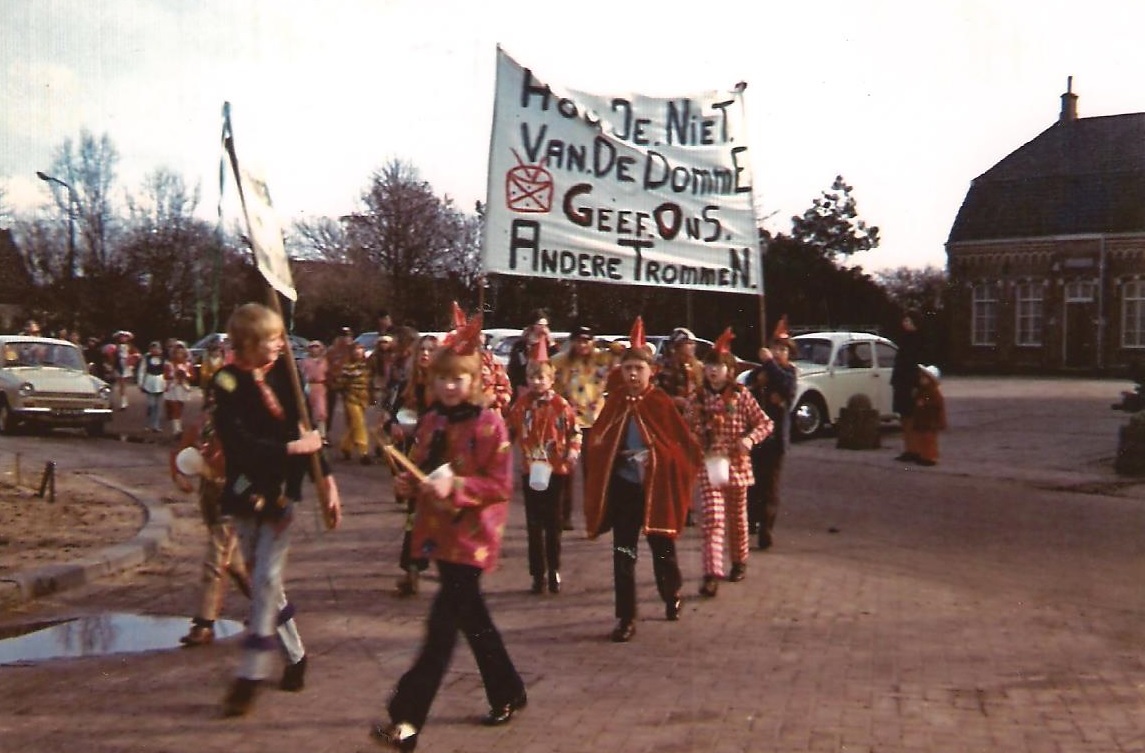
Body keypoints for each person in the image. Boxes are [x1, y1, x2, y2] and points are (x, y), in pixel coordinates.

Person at [370, 315, 526, 751]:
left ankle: (406, 721)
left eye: (460, 378)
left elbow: (500, 487)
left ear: (476, 380)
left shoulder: (490, 425)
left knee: (440, 633)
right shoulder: (433, 421)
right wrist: (408, 483)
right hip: (439, 534)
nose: (451, 386)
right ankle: (508, 689)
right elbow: (421, 468)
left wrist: (457, 486)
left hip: (472, 539)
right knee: (473, 621)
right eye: (443, 379)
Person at [211, 302, 343, 717]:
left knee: (267, 577)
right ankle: (296, 655)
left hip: (283, 493)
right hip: (246, 491)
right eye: (270, 338)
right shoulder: (226, 382)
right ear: (248, 344)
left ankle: (250, 673)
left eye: (279, 337)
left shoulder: (287, 375)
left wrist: (326, 478)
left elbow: (306, 429)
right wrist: (292, 448)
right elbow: (239, 444)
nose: (280, 344)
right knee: (263, 584)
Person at [583, 317, 702, 643]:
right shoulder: (615, 403)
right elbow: (598, 442)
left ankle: (671, 592)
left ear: (652, 371)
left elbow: (683, 450)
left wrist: (656, 458)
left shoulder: (660, 403)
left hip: (655, 491)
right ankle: (626, 618)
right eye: (627, 368)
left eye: (639, 368)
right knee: (624, 554)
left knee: (662, 549)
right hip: (624, 491)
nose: (633, 374)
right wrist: (614, 454)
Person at [687, 328, 772, 597]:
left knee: (737, 517)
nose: (713, 371)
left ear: (729, 370)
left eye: (719, 366)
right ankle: (711, 573)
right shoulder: (697, 397)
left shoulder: (741, 395)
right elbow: (686, 428)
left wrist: (749, 439)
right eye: (710, 365)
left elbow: (765, 423)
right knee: (713, 518)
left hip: (736, 463)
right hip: (710, 462)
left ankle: (739, 560)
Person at [170, 395, 252, 648]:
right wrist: (177, 475)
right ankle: (268, 605)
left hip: (232, 500)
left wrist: (239, 492)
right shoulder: (203, 426)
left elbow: (254, 469)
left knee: (215, 560)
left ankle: (204, 624)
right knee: (235, 562)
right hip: (209, 496)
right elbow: (182, 451)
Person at [505, 345, 581, 595]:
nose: (536, 382)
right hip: (531, 469)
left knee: (554, 523)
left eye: (541, 377)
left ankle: (554, 569)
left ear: (551, 379)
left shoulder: (561, 405)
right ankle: (537, 573)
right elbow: (509, 431)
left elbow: (575, 432)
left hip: (556, 470)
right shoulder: (521, 406)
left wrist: (571, 454)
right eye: (532, 378)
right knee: (534, 524)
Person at [384, 333, 438, 597]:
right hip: (416, 456)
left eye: (431, 350)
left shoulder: (442, 385)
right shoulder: (409, 384)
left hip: (441, 458)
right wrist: (394, 423)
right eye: (422, 350)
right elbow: (392, 410)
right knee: (414, 515)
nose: (426, 354)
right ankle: (412, 570)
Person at [551, 324, 615, 530]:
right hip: (568, 420)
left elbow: (620, 354)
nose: (583, 345)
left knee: (592, 471)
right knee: (566, 470)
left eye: (587, 340)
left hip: (594, 421)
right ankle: (564, 515)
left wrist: (613, 347)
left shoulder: (599, 358)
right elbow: (544, 370)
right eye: (579, 340)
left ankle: (594, 516)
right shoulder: (561, 360)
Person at [746, 319, 798, 550]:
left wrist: (770, 365)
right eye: (775, 348)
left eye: (783, 349)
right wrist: (757, 381)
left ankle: (767, 528)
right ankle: (752, 521)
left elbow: (787, 388)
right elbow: (748, 388)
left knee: (771, 486)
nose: (778, 353)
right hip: (756, 437)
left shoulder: (788, 372)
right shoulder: (760, 372)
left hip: (776, 440)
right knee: (752, 482)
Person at [892, 311, 923, 463]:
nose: (905, 323)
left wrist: (915, 385)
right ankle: (908, 449)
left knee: (911, 418)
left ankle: (915, 449)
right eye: (904, 321)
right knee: (904, 418)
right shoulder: (904, 340)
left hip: (909, 383)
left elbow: (914, 365)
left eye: (908, 321)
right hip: (901, 383)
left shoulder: (916, 341)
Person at [337, 340, 375, 464]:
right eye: (355, 349)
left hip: (363, 398)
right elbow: (341, 383)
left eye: (360, 348)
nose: (358, 351)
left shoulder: (367, 365)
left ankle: (345, 447)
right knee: (359, 423)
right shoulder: (347, 366)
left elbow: (370, 383)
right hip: (351, 398)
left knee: (355, 425)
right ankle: (364, 452)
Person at [506, 309, 555, 400]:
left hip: (545, 385)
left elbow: (556, 361)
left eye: (545, 325)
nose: (543, 328)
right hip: (525, 385)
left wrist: (551, 343)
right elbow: (515, 367)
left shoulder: (548, 343)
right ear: (533, 326)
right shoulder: (522, 345)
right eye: (540, 325)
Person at [911, 365, 946, 466]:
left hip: (930, 419)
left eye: (924, 378)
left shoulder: (933, 392)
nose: (922, 379)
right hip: (922, 418)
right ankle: (923, 455)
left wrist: (925, 403)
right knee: (921, 438)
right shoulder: (921, 390)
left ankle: (930, 457)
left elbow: (937, 404)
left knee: (929, 439)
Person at [325, 326, 355, 439]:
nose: (345, 339)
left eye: (347, 336)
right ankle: (326, 434)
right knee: (330, 408)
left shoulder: (353, 350)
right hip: (333, 382)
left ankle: (350, 435)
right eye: (343, 336)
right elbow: (326, 366)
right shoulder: (331, 350)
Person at [299, 341, 329, 442]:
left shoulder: (325, 361)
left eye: (317, 346)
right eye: (312, 347)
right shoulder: (304, 362)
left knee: (321, 411)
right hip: (309, 386)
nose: (314, 349)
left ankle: (322, 435)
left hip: (321, 387)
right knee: (308, 411)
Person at [137, 340, 167, 433]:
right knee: (151, 405)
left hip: (160, 382)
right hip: (150, 382)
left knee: (158, 406)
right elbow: (142, 371)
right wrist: (140, 383)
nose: (155, 350)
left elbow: (167, 371)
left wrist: (167, 383)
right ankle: (148, 423)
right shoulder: (146, 358)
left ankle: (156, 425)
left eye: (157, 348)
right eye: (153, 348)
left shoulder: (163, 359)